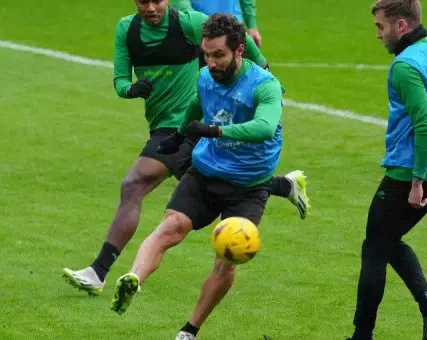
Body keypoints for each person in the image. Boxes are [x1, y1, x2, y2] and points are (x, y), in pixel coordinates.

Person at [62, 0, 309, 297]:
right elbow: (120, 79)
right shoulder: (127, 29)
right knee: (218, 181)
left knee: (135, 183)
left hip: (188, 125)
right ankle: (283, 185)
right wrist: (129, 89)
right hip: (171, 126)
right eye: (143, 1)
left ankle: (100, 271)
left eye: (158, 0)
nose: (151, 7)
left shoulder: (189, 23)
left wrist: (269, 74)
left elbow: (236, 35)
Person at [110, 13, 288, 340]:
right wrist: (179, 136)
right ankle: (133, 279)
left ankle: (189, 330)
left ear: (239, 51)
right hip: (206, 172)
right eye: (206, 54)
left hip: (248, 187)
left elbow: (264, 128)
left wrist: (215, 130)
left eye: (218, 55)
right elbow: (196, 103)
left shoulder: (265, 86)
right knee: (170, 226)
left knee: (227, 258)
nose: (211, 62)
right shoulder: (206, 75)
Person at [347, 1, 427, 339]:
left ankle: (363, 335)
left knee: (374, 247)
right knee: (387, 240)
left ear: (401, 26)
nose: (378, 35)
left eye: (380, 27)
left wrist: (416, 181)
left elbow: (426, 125)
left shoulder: (404, 65)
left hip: (410, 174)